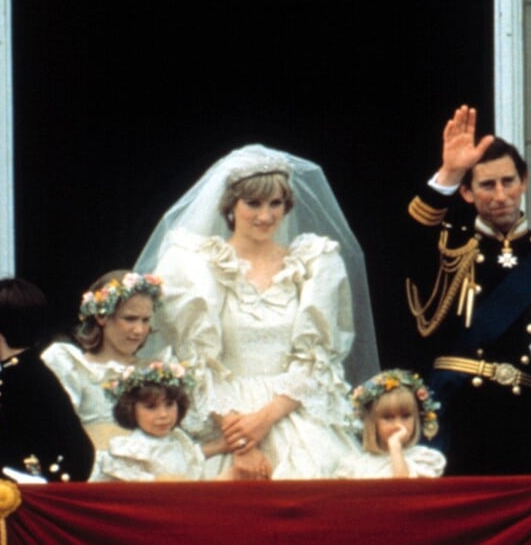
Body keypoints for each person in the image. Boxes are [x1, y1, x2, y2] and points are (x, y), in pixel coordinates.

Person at [135, 144, 379, 479]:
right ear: (231, 206)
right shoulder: (195, 265)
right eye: (253, 203)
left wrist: (264, 420)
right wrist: (242, 441)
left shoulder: (313, 263)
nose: (265, 216)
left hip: (291, 412)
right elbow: (193, 361)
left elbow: (317, 359)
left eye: (275, 203)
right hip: (221, 414)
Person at [405, 105, 531, 475]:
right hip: (451, 415)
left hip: (522, 420)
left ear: (524, 181)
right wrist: (449, 172)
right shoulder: (447, 244)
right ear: (466, 192)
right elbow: (406, 242)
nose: (500, 195)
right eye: (486, 184)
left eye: (508, 181)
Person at [42, 270, 169, 449]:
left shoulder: (153, 371)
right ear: (102, 316)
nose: (139, 330)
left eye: (145, 320)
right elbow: (55, 434)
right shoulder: (73, 367)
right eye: (130, 319)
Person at [0, 277, 94, 482]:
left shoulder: (18, 379)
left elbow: (80, 453)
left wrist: (44, 485)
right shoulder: (30, 373)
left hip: (22, 500)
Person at [90, 361, 234, 481]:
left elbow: (191, 467)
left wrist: (220, 446)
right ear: (131, 409)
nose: (163, 415)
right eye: (151, 407)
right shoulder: (130, 450)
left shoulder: (179, 440)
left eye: (169, 404)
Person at [335, 369, 445, 478]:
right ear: (373, 422)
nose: (398, 425)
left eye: (405, 416)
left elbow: (404, 487)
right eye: (388, 418)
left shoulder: (423, 459)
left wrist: (395, 447)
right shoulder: (357, 466)